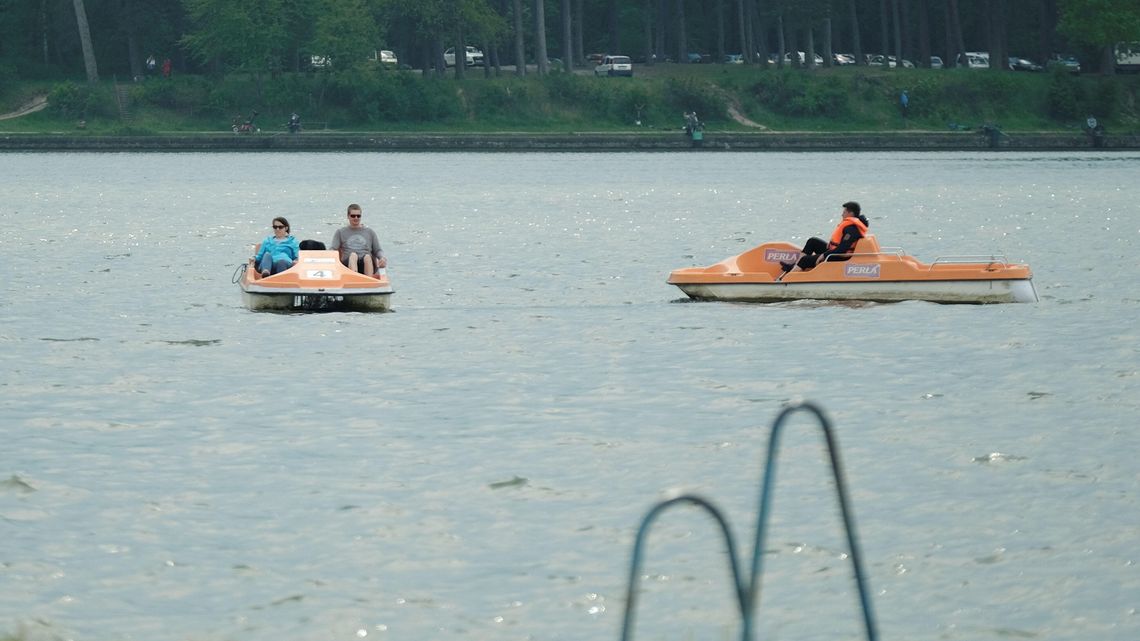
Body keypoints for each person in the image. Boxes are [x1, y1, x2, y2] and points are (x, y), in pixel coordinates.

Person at [780, 201, 870, 274]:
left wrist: (824, 255)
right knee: (812, 242)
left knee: (804, 260)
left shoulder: (851, 229)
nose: (842, 215)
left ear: (851, 213)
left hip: (840, 256)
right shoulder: (851, 225)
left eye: (844, 212)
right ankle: (794, 266)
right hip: (835, 252)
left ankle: (788, 280)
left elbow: (842, 250)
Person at [329, 204, 387, 276]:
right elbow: (333, 249)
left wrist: (382, 258)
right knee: (353, 255)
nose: (356, 218)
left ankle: (369, 282)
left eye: (358, 216)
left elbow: (378, 250)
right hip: (348, 264)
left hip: (366, 262)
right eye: (353, 216)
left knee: (367, 257)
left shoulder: (370, 232)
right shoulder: (340, 232)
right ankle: (354, 279)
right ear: (348, 216)